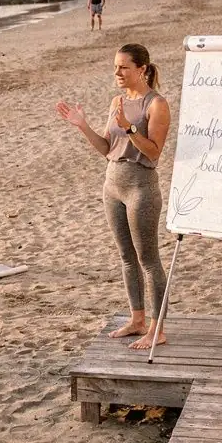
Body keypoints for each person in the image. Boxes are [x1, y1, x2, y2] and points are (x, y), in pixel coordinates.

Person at [56, 42, 171, 351]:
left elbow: (154, 152)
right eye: (115, 67)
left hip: (141, 187)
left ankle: (157, 329)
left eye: (123, 67)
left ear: (142, 69)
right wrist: (82, 126)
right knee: (126, 257)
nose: (117, 72)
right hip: (112, 186)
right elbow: (107, 149)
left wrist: (130, 128)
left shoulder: (156, 104)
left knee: (148, 259)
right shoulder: (116, 101)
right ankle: (137, 320)